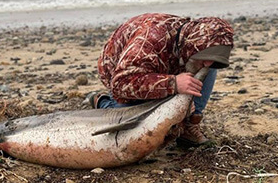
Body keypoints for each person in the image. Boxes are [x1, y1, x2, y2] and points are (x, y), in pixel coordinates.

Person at [90, 13, 234, 147]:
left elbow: (205, 61)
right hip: (121, 74)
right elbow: (120, 84)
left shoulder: (190, 43)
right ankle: (102, 102)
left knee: (207, 64)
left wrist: (186, 103)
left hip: (168, 67)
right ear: (192, 44)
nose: (208, 64)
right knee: (132, 129)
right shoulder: (149, 41)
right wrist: (173, 84)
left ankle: (188, 124)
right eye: (206, 55)